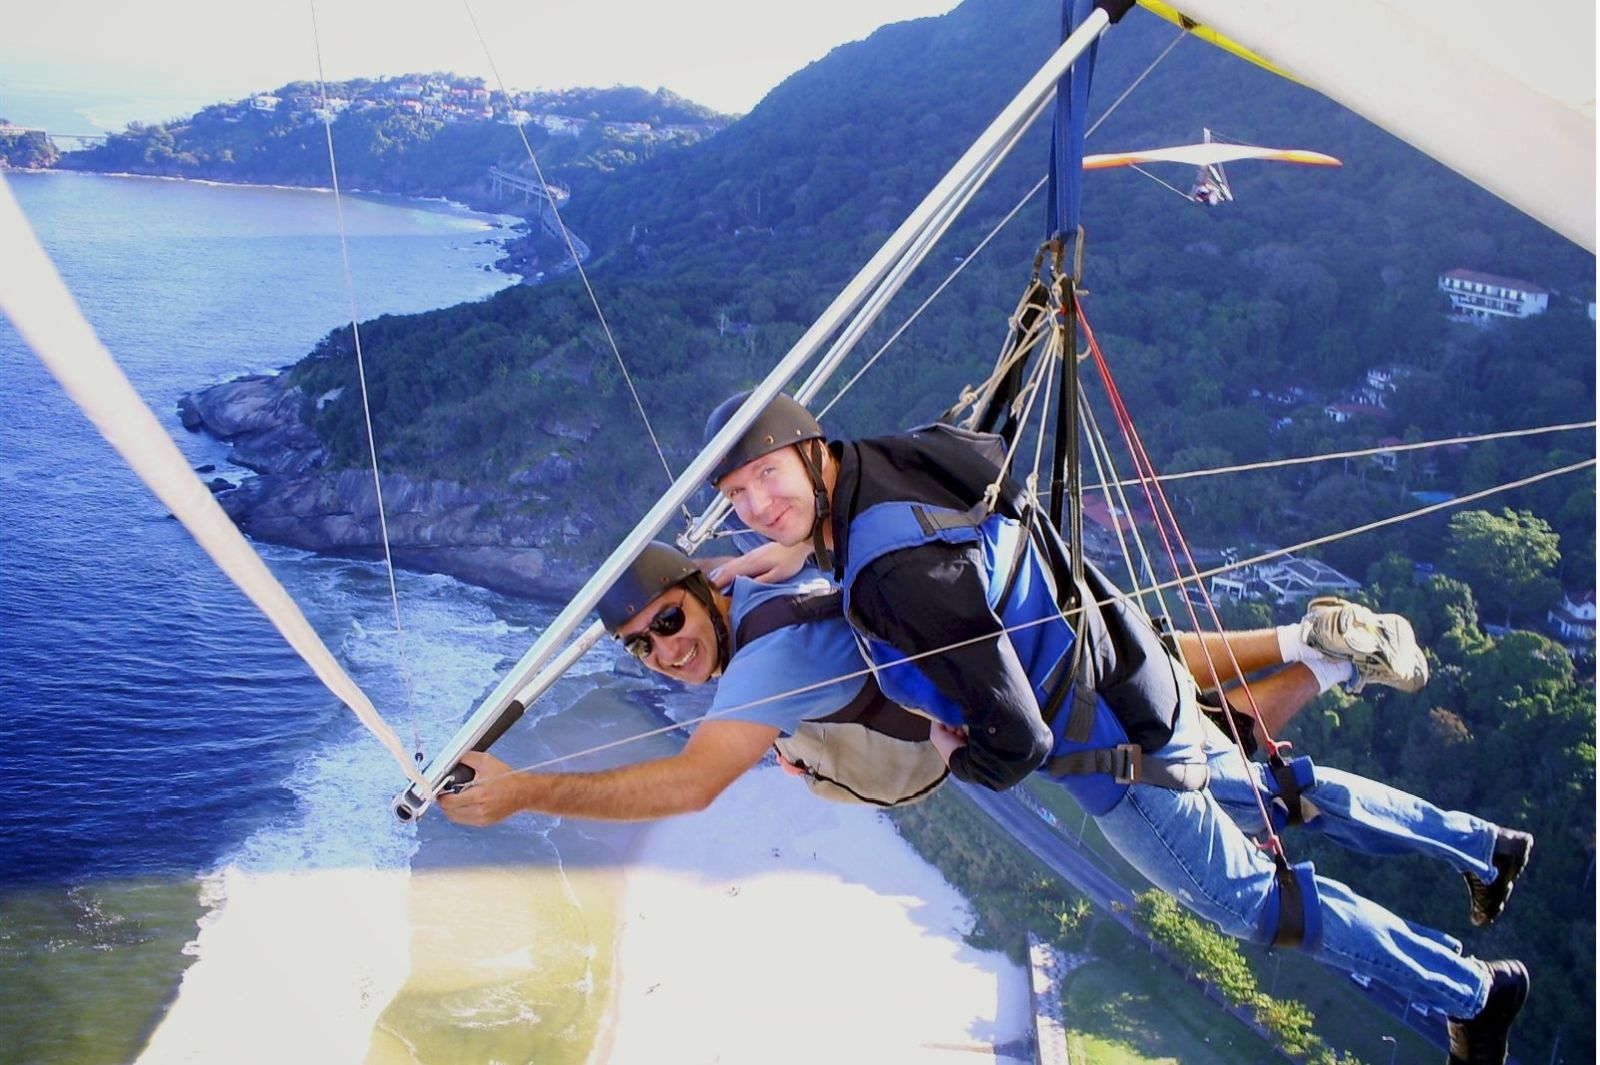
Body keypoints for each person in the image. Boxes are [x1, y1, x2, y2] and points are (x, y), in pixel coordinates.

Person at [700, 391, 1532, 1065]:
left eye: (766, 475)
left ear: (809, 450)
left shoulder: (890, 574)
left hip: (1117, 753)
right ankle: (1484, 845)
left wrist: (960, 757)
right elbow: (944, 539)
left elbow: (1016, 738)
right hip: (1131, 665)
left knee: (1256, 904)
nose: (756, 506)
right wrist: (810, 552)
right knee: (1272, 789)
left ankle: (1470, 991)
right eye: (736, 496)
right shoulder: (899, 457)